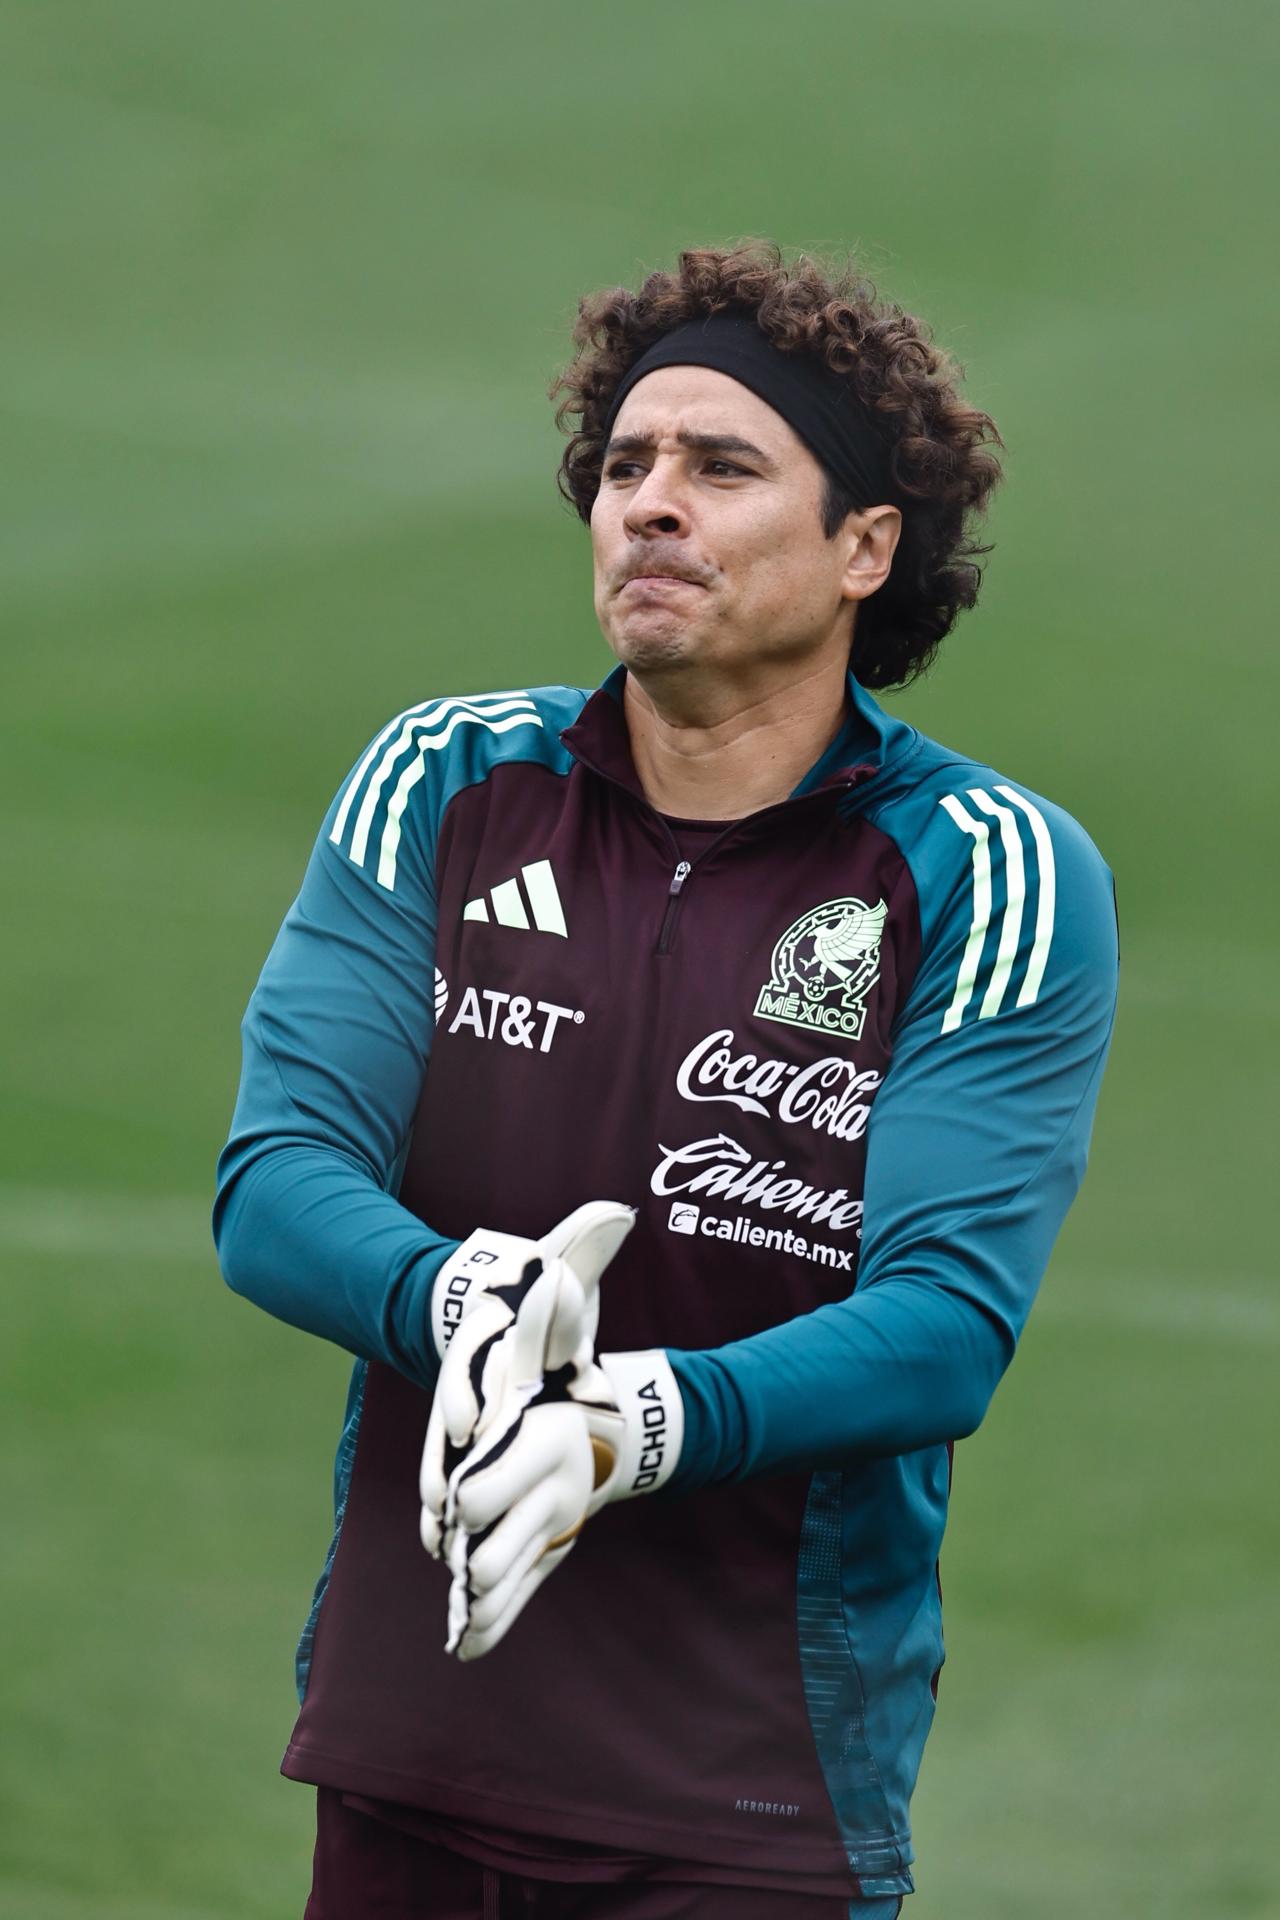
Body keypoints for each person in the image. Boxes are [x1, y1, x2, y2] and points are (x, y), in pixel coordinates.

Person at [214, 242, 1118, 1919]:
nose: (649, 504)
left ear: (866, 546)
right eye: (625, 465)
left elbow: (943, 1322)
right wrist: (467, 1299)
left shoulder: (985, 870)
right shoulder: (445, 781)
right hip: (416, 1738)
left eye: (721, 467)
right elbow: (274, 1184)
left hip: (745, 1795)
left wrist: (639, 1420)